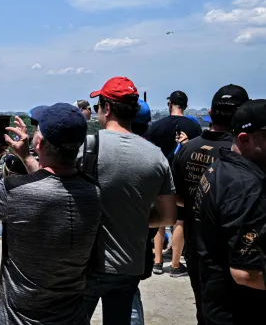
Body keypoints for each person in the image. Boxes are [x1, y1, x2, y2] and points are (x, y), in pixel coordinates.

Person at [0, 103, 101, 324]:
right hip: (72, 317)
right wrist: (27, 158)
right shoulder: (93, 192)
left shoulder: (14, 190)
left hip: (19, 318)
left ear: (39, 143)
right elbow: (54, 183)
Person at [82, 77, 176, 325]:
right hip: (129, 263)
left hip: (87, 261)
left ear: (108, 108)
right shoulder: (155, 156)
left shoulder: (87, 148)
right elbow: (168, 216)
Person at [171, 85, 249, 325]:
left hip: (198, 244)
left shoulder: (187, 149)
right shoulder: (243, 153)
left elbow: (178, 198)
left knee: (204, 309)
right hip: (239, 247)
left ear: (212, 113)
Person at [195, 99, 266, 325]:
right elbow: (246, 272)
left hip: (214, 297)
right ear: (245, 139)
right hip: (240, 309)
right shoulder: (248, 188)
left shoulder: (219, 166)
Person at [146, 90, 203, 278]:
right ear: (185, 106)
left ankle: (157, 262)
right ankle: (176, 265)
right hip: (182, 177)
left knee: (159, 218)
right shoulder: (194, 127)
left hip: (159, 175)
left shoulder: (157, 126)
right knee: (179, 220)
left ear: (169, 104)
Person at [129, 99, 155, 325]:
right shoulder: (155, 156)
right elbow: (166, 215)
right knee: (130, 298)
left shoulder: (95, 148)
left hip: (96, 247)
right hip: (137, 245)